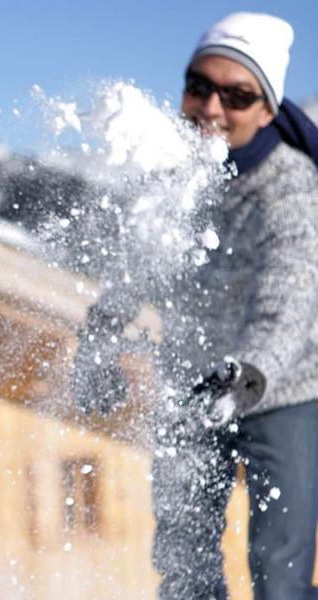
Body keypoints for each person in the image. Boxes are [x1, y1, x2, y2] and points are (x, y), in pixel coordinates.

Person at [72, 12, 318, 600]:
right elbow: (135, 272)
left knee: (277, 570)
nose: (211, 107)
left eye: (236, 95)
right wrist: (98, 350)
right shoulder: (172, 175)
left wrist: (250, 373)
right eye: (199, 86)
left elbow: (288, 301)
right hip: (189, 382)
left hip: (282, 391)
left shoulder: (290, 187)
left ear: (266, 109)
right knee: (183, 561)